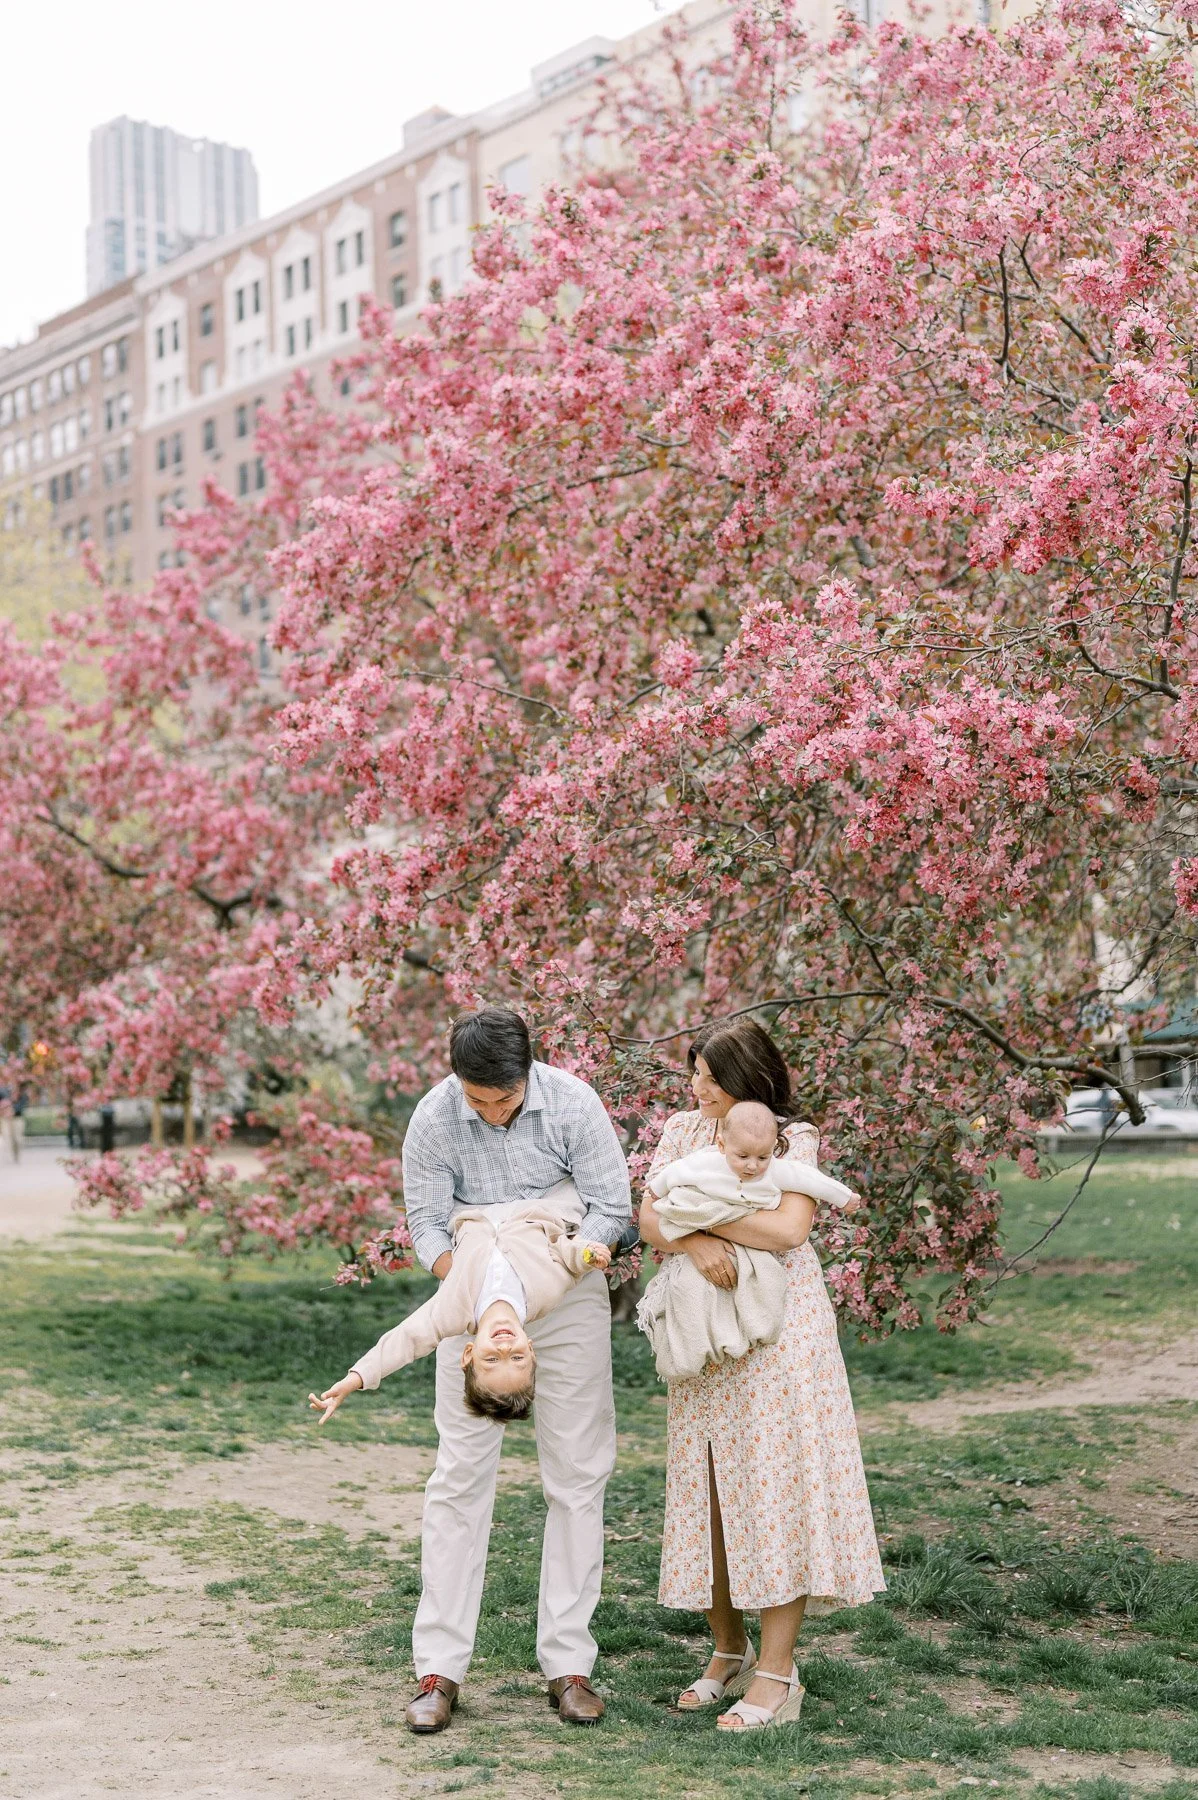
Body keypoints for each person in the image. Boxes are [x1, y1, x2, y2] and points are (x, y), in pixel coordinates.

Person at [390, 1008, 632, 1734]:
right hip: (474, 1309)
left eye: (505, 1099)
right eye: (479, 1100)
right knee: (458, 1477)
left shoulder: (574, 1103)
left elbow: (611, 1207)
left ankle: (568, 1663)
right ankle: (438, 1669)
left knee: (578, 1474)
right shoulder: (433, 1119)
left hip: (566, 1300)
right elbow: (426, 1224)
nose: (493, 1112)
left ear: (529, 1070)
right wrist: (468, 1279)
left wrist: (565, 1264)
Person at [640, 1019, 885, 1733]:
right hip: (704, 1333)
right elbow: (650, 1217)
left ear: (748, 1083)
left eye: (710, 1081)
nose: (696, 1089)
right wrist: (693, 1236)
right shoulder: (684, 1131)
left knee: (775, 1485)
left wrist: (704, 1226)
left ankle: (778, 1673)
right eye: (695, 1077)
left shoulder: (791, 1136)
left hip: (782, 1334)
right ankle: (726, 1650)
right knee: (711, 1489)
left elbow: (790, 1231)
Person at [309, 1185, 611, 1422]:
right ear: (531, 1350)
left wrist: (355, 1379)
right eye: (517, 1359)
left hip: (475, 1205)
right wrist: (586, 1254)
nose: (505, 1349)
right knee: (568, 1209)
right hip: (541, 1202)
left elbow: (406, 1340)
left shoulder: (453, 1311)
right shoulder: (548, 1293)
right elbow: (564, 1254)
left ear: (468, 1354)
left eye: (491, 1360)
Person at [636, 1099, 855, 1381]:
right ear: (722, 1145)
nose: (752, 1166)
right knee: (689, 1289)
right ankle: (686, 1354)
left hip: (746, 1240)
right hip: (702, 1220)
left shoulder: (779, 1161)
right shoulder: (704, 1161)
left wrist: (844, 1197)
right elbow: (670, 1180)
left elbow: (808, 1184)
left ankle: (755, 1327)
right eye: (743, 1157)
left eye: (762, 1158)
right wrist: (656, 1193)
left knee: (765, 1280)